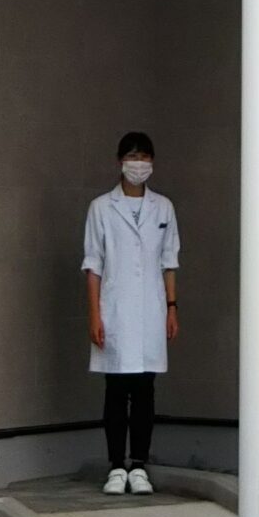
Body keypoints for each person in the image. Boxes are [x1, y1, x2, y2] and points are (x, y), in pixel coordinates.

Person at [82, 130, 179, 494]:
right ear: (120, 161)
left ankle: (139, 465)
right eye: (133, 157)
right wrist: (95, 314)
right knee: (116, 388)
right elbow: (93, 264)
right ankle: (115, 467)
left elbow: (169, 261)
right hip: (116, 310)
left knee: (144, 390)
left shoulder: (163, 207)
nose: (139, 164)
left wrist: (172, 308)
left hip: (151, 309)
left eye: (145, 157)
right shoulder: (101, 208)